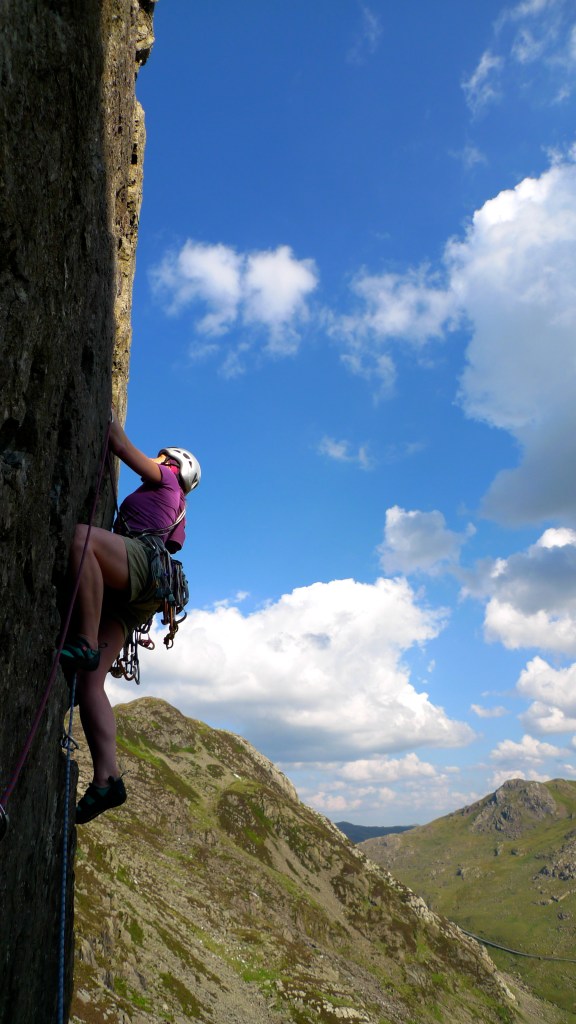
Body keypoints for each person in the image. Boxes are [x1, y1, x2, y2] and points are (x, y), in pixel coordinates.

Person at [60, 411, 201, 824]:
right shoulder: (177, 509)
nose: (157, 464)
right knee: (91, 683)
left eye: (163, 459)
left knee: (83, 539)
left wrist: (105, 411)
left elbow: (118, 443)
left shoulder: (167, 477)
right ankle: (108, 777)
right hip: (141, 596)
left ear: (174, 464)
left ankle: (84, 642)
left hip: (140, 566)